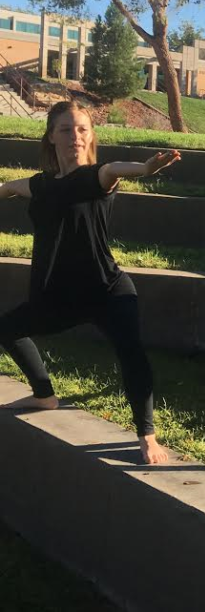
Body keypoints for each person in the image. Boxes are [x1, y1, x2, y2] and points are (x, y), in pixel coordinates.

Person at [0, 100, 180, 465]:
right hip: (60, 294)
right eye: (65, 130)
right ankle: (44, 395)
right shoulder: (41, 185)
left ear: (91, 136)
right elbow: (7, 187)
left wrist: (145, 168)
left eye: (82, 129)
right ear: (51, 137)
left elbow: (115, 168)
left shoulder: (96, 176)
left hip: (106, 289)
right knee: (7, 329)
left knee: (130, 352)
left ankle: (147, 436)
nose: (75, 137)